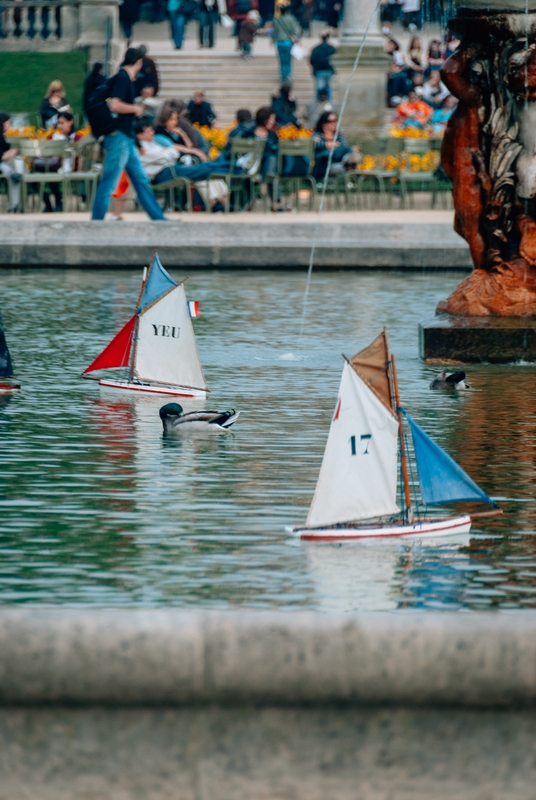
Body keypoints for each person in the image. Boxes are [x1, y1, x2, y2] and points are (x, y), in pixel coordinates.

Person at [91, 47, 167, 221]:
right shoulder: (123, 78)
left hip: (126, 138)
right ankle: (96, 223)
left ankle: (159, 219)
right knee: (109, 182)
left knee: (141, 181)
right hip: (119, 139)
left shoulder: (123, 77)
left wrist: (138, 144)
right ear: (139, 62)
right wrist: (135, 109)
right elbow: (115, 105)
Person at [134, 119, 227, 211]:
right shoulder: (142, 148)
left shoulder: (152, 144)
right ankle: (230, 168)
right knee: (200, 169)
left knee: (201, 169)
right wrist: (170, 151)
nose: (152, 132)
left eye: (152, 129)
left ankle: (228, 169)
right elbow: (171, 153)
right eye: (149, 131)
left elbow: (171, 153)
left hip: (169, 169)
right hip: (162, 174)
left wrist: (169, 151)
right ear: (140, 135)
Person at [312, 111, 360, 180]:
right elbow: (314, 145)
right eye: (330, 121)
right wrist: (326, 145)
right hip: (325, 164)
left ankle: (349, 161)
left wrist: (332, 146)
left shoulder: (340, 136)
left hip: (339, 161)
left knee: (346, 151)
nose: (334, 123)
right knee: (326, 155)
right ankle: (349, 163)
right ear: (323, 123)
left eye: (335, 120)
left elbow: (344, 146)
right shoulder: (318, 135)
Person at [272, 4, 301, 84]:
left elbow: (274, 32)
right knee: (288, 60)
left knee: (281, 60)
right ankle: (288, 75)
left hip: (279, 42)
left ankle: (283, 76)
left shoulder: (276, 20)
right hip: (288, 42)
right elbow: (295, 30)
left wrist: (273, 41)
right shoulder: (291, 19)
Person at [0, 112, 21, 213]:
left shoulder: (3, 137)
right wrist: (15, 150)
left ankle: (14, 205)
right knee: (9, 169)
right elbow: (2, 156)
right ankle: (14, 205)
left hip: (3, 166)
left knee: (12, 166)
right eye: (9, 123)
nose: (10, 125)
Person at [309, 30, 336, 100]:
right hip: (329, 70)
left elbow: (311, 60)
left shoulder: (316, 49)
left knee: (319, 89)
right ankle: (329, 104)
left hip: (319, 70)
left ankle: (318, 105)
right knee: (328, 89)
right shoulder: (332, 49)